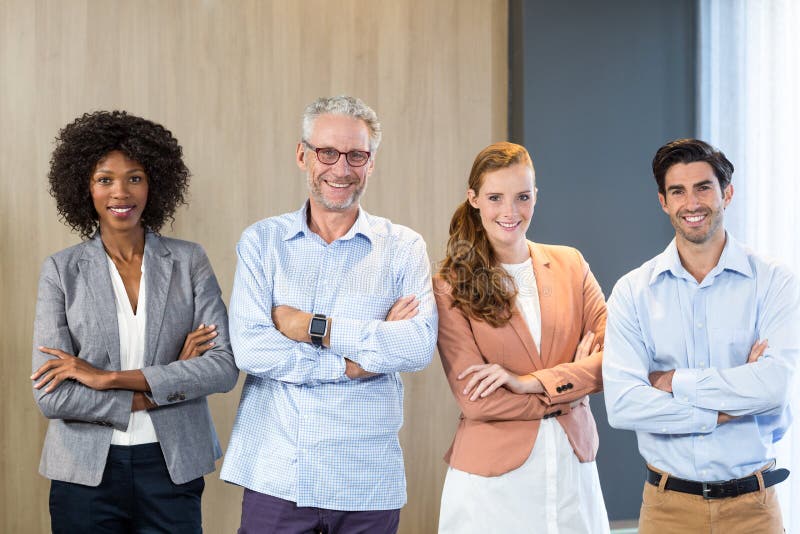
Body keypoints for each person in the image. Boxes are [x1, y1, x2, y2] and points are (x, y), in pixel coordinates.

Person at [220, 95, 437, 533]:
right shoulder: (262, 243)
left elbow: (416, 346)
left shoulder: (404, 248)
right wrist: (353, 362)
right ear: (303, 155)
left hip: (367, 480)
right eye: (327, 152)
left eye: (356, 155)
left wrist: (312, 327)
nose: (341, 169)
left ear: (371, 162)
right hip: (278, 475)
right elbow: (251, 349)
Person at [31, 110, 239, 533]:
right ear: (84, 187)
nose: (120, 192)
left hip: (171, 465)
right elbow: (51, 396)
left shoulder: (189, 261)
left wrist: (105, 379)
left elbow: (222, 367)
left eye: (135, 177)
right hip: (84, 473)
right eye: (105, 179)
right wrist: (162, 386)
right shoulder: (61, 270)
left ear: (154, 183)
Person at [602, 138, 800, 534]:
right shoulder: (632, 291)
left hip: (754, 511)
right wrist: (727, 406)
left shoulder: (774, 282)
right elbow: (624, 405)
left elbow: (772, 388)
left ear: (727, 193)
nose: (692, 203)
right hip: (666, 511)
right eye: (678, 191)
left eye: (703, 187)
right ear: (663, 201)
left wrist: (673, 382)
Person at [434, 141, 610, 533]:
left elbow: (617, 361)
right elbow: (477, 401)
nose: (510, 212)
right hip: (491, 488)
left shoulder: (571, 264)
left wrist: (527, 383)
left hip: (572, 473)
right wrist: (570, 388)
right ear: (474, 199)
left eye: (522, 197)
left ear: (536, 197)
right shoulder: (449, 286)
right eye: (495, 197)